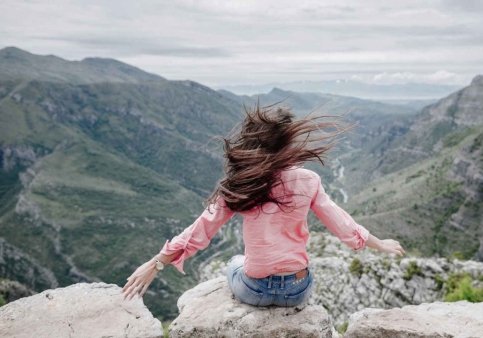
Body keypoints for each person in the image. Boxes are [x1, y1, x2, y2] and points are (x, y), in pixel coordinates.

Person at [121, 103, 405, 306]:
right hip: (298, 289)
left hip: (254, 290)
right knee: (291, 267)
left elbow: (200, 230)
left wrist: (157, 263)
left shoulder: (242, 184)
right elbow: (341, 222)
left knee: (235, 262)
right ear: (287, 141)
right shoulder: (308, 179)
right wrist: (379, 243)